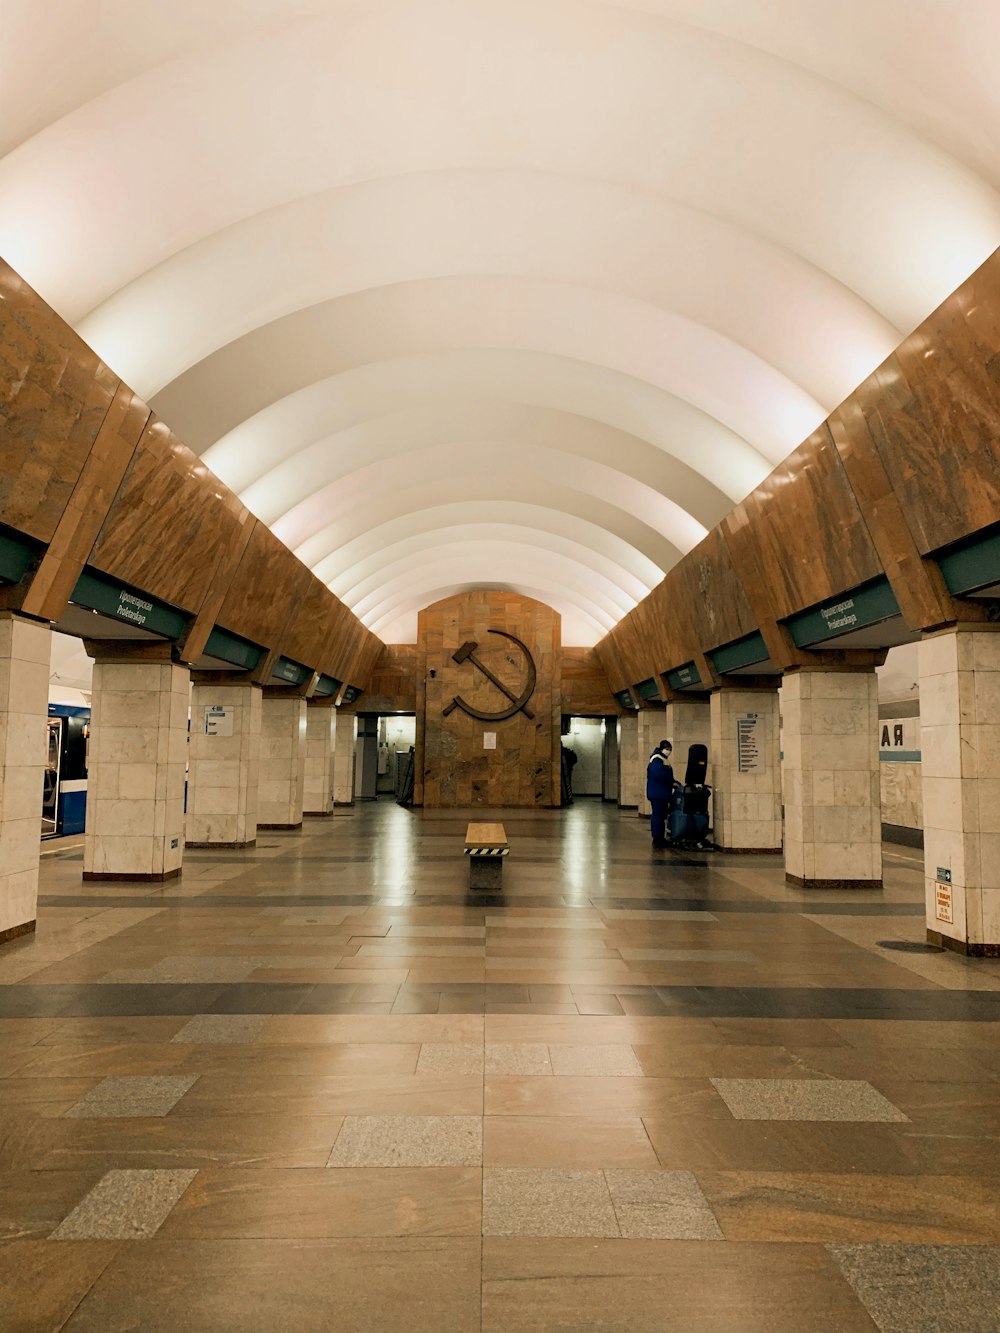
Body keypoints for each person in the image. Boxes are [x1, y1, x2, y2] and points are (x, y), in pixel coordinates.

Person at [646, 738, 674, 849]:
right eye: (667, 749)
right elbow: (659, 775)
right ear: (661, 748)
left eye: (670, 749)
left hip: (661, 793)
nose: (668, 751)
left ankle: (659, 837)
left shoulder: (663, 759)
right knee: (658, 816)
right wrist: (671, 782)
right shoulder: (657, 759)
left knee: (661, 816)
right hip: (658, 793)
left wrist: (672, 782)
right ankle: (657, 838)